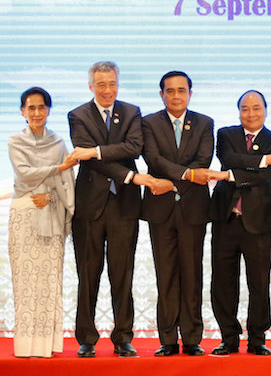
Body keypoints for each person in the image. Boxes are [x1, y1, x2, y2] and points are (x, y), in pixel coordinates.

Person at [69, 61, 171, 358]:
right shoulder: (78, 115)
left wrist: (97, 150)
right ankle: (86, 338)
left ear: (118, 84)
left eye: (112, 83)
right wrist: (128, 174)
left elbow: (134, 148)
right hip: (90, 206)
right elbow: (88, 158)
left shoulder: (131, 112)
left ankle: (122, 337)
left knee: (122, 274)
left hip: (124, 205)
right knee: (88, 274)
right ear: (91, 86)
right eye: (101, 84)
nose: (107, 90)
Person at [208, 90, 271, 356]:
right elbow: (230, 159)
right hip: (225, 219)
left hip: (260, 221)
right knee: (223, 281)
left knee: (259, 282)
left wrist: (233, 175)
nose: (251, 113)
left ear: (266, 110)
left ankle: (257, 338)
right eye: (245, 108)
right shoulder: (226, 135)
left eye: (256, 108)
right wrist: (260, 162)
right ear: (239, 111)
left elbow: (263, 176)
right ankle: (229, 337)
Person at [141, 71, 215, 356]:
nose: (175, 96)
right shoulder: (148, 123)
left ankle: (192, 338)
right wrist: (185, 174)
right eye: (169, 91)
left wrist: (175, 178)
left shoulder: (205, 123)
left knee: (192, 273)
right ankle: (168, 339)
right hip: (160, 209)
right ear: (161, 95)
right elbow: (153, 159)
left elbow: (204, 161)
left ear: (190, 94)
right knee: (166, 274)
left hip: (193, 208)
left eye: (181, 90)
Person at [8, 87, 77, 357]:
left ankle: (48, 345)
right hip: (25, 213)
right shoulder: (15, 140)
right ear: (23, 112)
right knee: (26, 281)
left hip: (50, 212)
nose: (37, 113)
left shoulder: (59, 143)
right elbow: (24, 176)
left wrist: (49, 196)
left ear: (48, 110)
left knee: (49, 281)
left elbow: (66, 184)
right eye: (31, 108)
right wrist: (59, 168)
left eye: (41, 107)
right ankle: (25, 346)